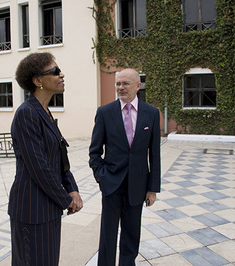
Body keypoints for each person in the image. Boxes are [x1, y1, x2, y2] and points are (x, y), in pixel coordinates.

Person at [8, 52, 83, 266]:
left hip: (47, 207)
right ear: (38, 80)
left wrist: (72, 189)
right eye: (55, 71)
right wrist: (66, 199)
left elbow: (60, 158)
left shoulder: (45, 112)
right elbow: (38, 167)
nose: (61, 75)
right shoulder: (27, 113)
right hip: (31, 210)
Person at [89, 68, 161, 266]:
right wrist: (101, 176)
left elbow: (155, 154)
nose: (120, 88)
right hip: (111, 184)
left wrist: (152, 189)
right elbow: (94, 151)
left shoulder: (152, 114)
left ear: (138, 86)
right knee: (108, 235)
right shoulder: (104, 113)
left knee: (131, 234)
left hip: (138, 186)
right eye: (118, 84)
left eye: (125, 84)